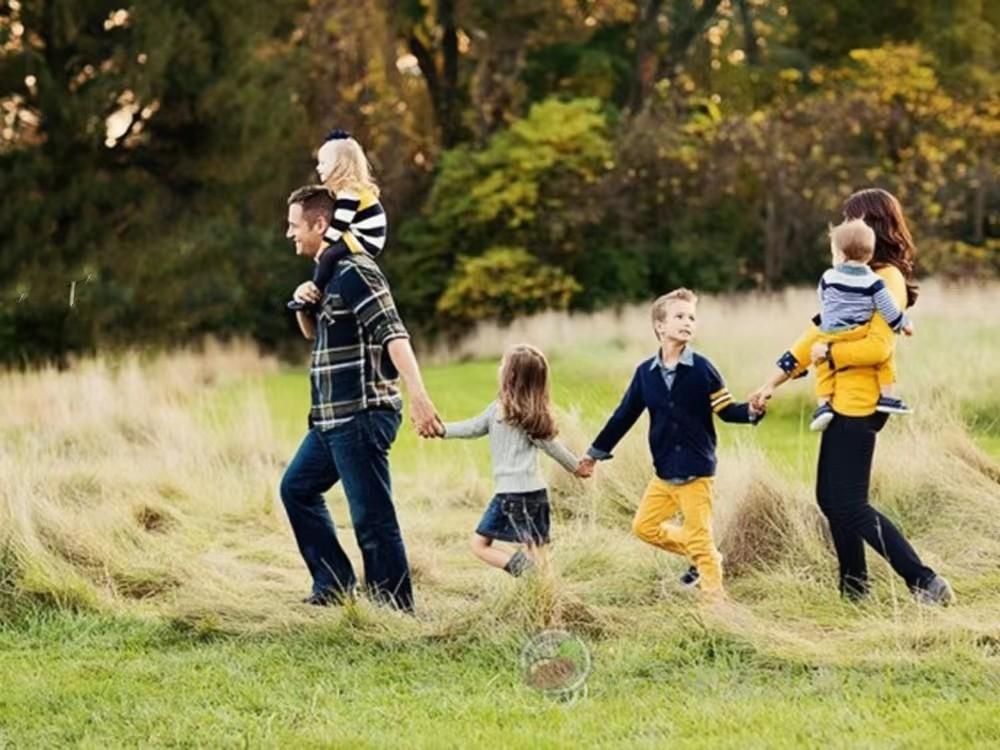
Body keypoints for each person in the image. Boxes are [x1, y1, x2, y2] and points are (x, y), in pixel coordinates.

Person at [750, 188, 954, 605]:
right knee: (831, 498)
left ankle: (925, 581)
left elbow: (879, 347)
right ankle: (854, 589)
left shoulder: (886, 279)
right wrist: (771, 381)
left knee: (848, 501)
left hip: (861, 402)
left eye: (851, 220)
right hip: (842, 399)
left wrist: (831, 354)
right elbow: (814, 336)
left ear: (871, 226)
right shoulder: (846, 281)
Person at [279, 185, 442, 611]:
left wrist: (420, 396)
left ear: (321, 224)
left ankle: (394, 609)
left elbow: (393, 332)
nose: (289, 234)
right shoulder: (329, 276)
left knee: (371, 517)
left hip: (363, 414)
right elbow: (315, 333)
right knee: (297, 489)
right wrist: (304, 303)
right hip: (329, 419)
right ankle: (333, 585)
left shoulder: (356, 271)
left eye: (295, 225)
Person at [577, 288, 764, 598]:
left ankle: (715, 607)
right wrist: (594, 454)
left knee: (701, 540)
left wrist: (752, 411)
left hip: (697, 471)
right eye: (679, 316)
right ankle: (705, 555)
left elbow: (727, 410)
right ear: (660, 326)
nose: (687, 322)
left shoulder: (703, 369)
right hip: (664, 471)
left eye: (692, 317)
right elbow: (623, 417)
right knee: (644, 528)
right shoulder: (644, 374)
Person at [439, 344, 584, 577]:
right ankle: (545, 594)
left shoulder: (498, 411)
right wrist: (577, 467)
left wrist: (441, 429)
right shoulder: (535, 417)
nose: (499, 369)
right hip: (537, 494)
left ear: (510, 376)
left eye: (502, 365)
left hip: (511, 495)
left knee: (479, 545)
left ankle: (528, 575)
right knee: (537, 552)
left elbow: (471, 428)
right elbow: (553, 448)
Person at [809, 217, 914, 432]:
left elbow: (823, 298)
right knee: (885, 359)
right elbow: (889, 310)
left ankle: (823, 406)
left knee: (823, 366)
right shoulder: (875, 283)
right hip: (858, 332)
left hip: (830, 334)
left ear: (840, 255)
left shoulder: (828, 277)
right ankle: (887, 397)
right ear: (869, 254)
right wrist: (903, 323)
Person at [286, 129, 388, 314]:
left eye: (323, 163)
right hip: (358, 234)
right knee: (330, 256)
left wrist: (324, 246)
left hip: (365, 239)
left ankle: (315, 291)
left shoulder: (350, 193)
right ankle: (318, 293)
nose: (318, 168)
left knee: (329, 256)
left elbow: (340, 225)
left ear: (340, 166)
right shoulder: (348, 192)